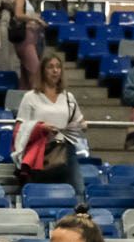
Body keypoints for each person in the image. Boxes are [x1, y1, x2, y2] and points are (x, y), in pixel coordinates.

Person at [18, 53, 89, 201]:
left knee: (78, 189)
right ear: (43, 71)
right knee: (38, 194)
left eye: (58, 67)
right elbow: (20, 127)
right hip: (40, 152)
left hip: (66, 150)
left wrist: (82, 125)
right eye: (50, 67)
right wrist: (40, 127)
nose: (55, 70)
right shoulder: (30, 97)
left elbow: (79, 120)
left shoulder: (68, 97)